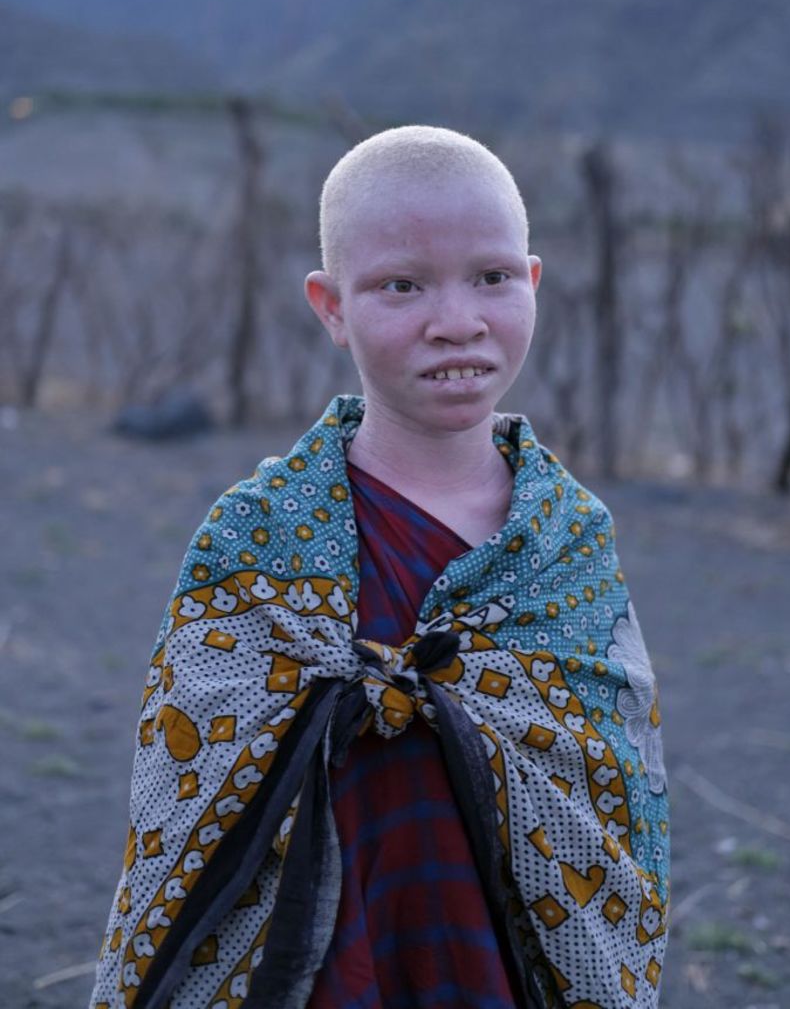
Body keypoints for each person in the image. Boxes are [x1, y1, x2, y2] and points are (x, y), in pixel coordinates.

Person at [90, 126, 669, 1009]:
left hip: (496, 959)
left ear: (533, 281)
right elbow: (190, 784)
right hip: (310, 954)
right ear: (331, 306)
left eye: (492, 277)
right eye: (402, 285)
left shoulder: (565, 539)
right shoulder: (260, 533)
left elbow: (605, 784)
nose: (457, 321)